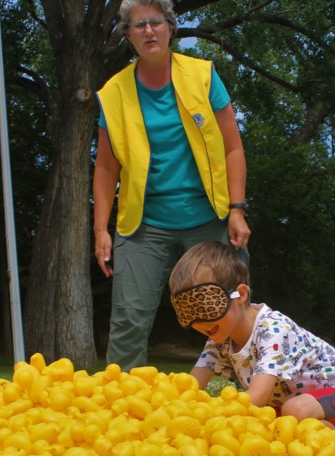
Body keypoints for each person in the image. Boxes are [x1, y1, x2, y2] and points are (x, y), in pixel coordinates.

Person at [93, 0, 250, 370]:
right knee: (129, 318)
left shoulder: (203, 76)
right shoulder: (112, 93)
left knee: (232, 309)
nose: (148, 31)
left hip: (210, 217)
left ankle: (253, 398)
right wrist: (101, 229)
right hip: (144, 224)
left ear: (170, 27)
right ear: (127, 35)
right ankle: (122, 406)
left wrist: (237, 210)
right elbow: (105, 166)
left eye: (156, 22)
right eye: (138, 25)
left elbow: (232, 147)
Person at [169, 241, 335, 430]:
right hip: (293, 406)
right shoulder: (218, 341)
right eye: (188, 313)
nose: (200, 322)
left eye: (206, 307)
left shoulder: (273, 330)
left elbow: (257, 396)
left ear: (240, 295)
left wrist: (212, 414)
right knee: (264, 424)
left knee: (293, 411)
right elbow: (190, 389)